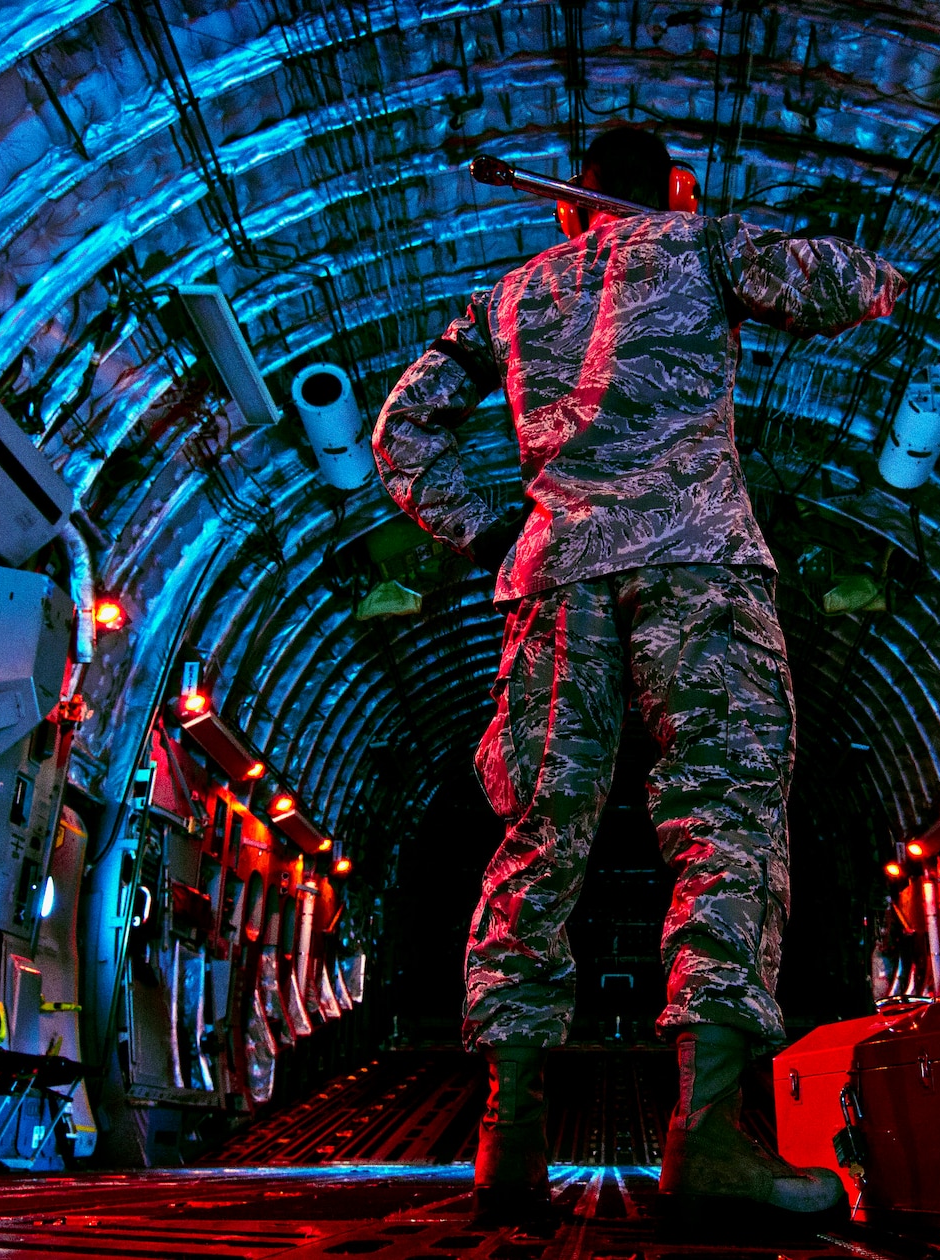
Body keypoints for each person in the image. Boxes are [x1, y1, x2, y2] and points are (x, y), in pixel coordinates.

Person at [372, 125, 905, 1226]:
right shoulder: (698, 242)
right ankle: (704, 1134)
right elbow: (837, 289)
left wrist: (489, 534)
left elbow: (401, 430)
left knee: (537, 834)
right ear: (671, 185)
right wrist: (882, 267)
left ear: (568, 205)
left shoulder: (505, 301)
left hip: (553, 582)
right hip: (696, 565)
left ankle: (506, 1141)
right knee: (726, 820)